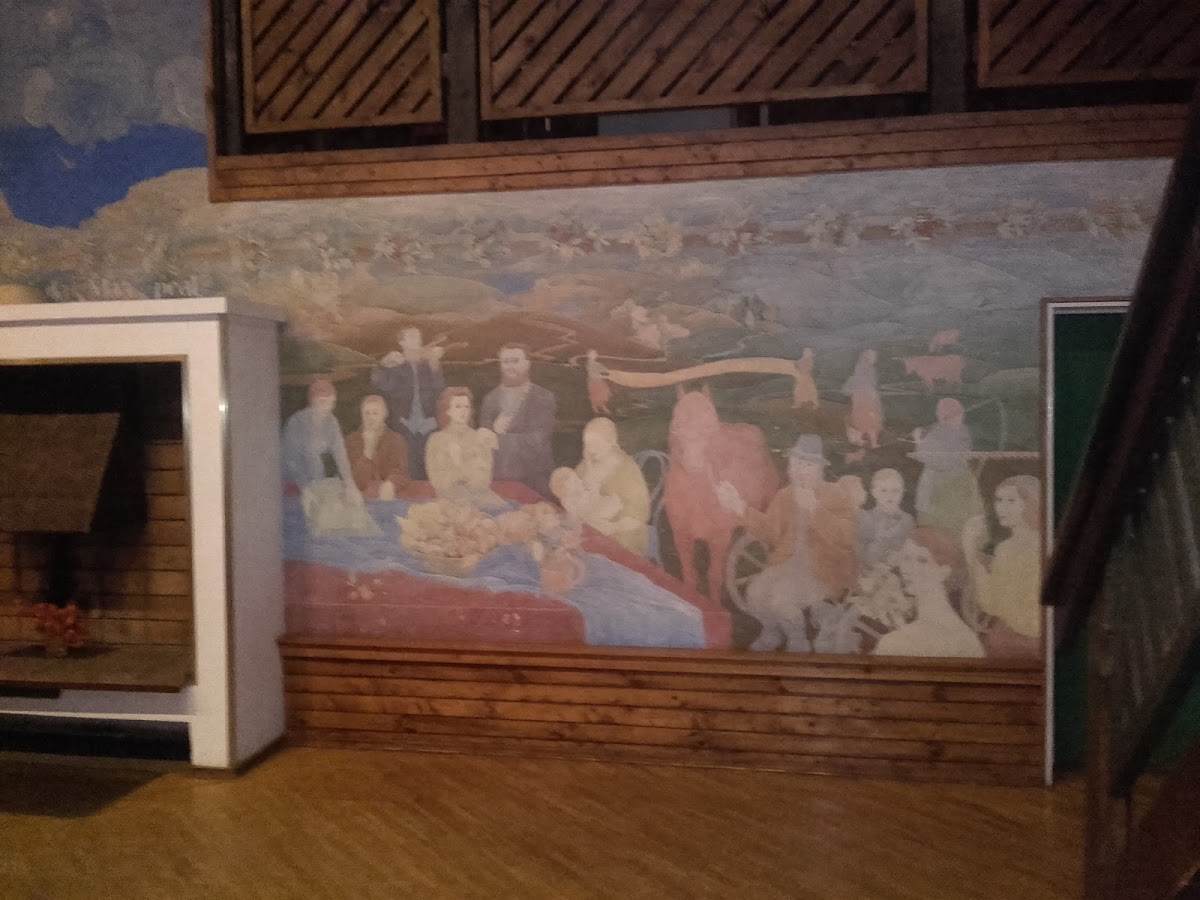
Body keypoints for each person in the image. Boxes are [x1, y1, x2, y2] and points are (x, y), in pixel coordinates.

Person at [717, 435, 857, 651]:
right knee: (755, 593)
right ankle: (772, 631)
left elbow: (846, 537)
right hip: (788, 564)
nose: (801, 471)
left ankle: (797, 639)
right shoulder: (785, 496)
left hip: (824, 570)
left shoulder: (833, 494)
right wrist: (740, 507)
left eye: (808, 465)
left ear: (819, 469)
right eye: (797, 463)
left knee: (781, 598)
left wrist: (815, 509)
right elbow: (770, 531)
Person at [961, 474, 1042, 654]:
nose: (1002, 508)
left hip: (1025, 641)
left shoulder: (1030, 548)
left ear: (1030, 503)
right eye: (999, 500)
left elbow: (993, 604)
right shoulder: (1005, 548)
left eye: (1011, 501)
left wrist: (970, 548)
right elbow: (993, 601)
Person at [873, 532, 984, 658]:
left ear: (944, 571)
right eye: (906, 558)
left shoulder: (962, 638)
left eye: (922, 560)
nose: (907, 569)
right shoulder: (967, 636)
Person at [479, 343, 556, 497]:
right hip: (498, 481)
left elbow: (537, 441)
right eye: (505, 362)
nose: (510, 367)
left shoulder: (543, 397)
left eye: (515, 361)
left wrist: (498, 438)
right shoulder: (490, 399)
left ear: (527, 364)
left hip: (534, 482)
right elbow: (483, 443)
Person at [567, 417, 650, 555]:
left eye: (596, 443)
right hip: (590, 530)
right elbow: (571, 491)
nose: (591, 449)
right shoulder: (587, 464)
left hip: (622, 537)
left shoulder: (627, 470)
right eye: (588, 444)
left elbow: (638, 515)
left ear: (611, 441)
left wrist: (612, 527)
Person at [370, 327, 445, 480]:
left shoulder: (426, 365)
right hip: (403, 426)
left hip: (428, 425)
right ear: (401, 342)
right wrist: (383, 364)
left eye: (419, 337)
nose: (417, 340)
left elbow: (439, 389)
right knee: (405, 469)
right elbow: (380, 383)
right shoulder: (395, 365)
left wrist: (435, 365)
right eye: (412, 336)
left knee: (430, 470)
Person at [911, 397, 983, 535]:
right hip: (950, 483)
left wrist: (918, 440)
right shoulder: (957, 431)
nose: (959, 418)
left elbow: (924, 455)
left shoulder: (951, 432)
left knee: (950, 524)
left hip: (945, 485)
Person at [424, 387, 499, 506]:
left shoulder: (480, 438)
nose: (463, 411)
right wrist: (464, 468)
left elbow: (482, 482)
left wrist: (458, 466)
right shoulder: (436, 440)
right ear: (447, 410)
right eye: (458, 407)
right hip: (448, 502)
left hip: (480, 501)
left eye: (466, 407)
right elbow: (439, 482)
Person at [281, 378, 356, 493]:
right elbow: (292, 461)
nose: (327, 407)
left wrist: (349, 483)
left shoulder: (332, 422)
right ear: (312, 401)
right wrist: (308, 488)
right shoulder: (297, 423)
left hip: (317, 479)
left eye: (331, 403)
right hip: (291, 482)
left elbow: (340, 454)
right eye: (322, 402)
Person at [344, 394, 410, 500]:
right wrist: (367, 452)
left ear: (384, 414)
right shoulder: (351, 441)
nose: (371, 418)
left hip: (390, 496)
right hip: (360, 499)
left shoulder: (396, 440)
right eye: (367, 413)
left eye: (375, 413)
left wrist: (391, 484)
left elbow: (401, 472)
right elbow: (355, 481)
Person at [857, 468, 916, 569]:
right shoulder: (865, 518)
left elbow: (911, 551)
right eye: (883, 490)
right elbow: (861, 554)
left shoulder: (907, 520)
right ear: (873, 492)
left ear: (903, 492)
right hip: (872, 569)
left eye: (895, 491)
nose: (890, 495)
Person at [841, 349, 883, 449]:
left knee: (865, 420)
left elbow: (847, 389)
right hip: (865, 401)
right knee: (868, 420)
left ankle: (868, 441)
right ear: (867, 357)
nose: (875, 358)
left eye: (875, 356)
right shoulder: (865, 371)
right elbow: (849, 388)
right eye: (873, 356)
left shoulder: (866, 370)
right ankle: (870, 442)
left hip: (864, 400)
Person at [584, 349, 612, 415]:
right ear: (588, 355)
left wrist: (607, 371)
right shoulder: (589, 364)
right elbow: (592, 374)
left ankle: (602, 405)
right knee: (595, 394)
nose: (595, 355)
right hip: (594, 381)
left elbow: (603, 369)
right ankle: (594, 406)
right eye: (592, 354)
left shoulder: (597, 363)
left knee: (604, 392)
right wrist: (603, 376)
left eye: (595, 354)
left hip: (599, 381)